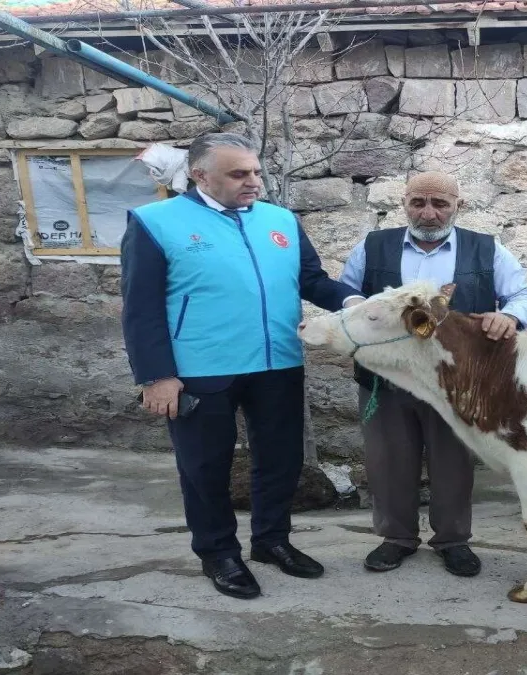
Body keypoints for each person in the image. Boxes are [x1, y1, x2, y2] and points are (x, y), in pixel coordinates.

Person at [120, 132, 362, 599]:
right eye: (238, 174)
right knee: (205, 467)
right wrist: (156, 376)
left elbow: (311, 280)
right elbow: (140, 307)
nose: (253, 182)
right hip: (199, 368)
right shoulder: (155, 222)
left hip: (277, 362)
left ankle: (272, 541)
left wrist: (354, 302)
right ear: (200, 175)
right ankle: (218, 553)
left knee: (281, 460)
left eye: (255, 171)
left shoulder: (280, 220)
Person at [339, 171, 527, 577]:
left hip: (456, 381)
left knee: (453, 461)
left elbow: (523, 294)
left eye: (440, 204)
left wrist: (509, 316)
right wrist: (360, 308)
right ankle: (396, 538)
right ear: (404, 204)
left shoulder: (486, 248)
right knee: (388, 459)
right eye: (418, 202)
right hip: (386, 377)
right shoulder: (373, 246)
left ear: (457, 206)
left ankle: (453, 541)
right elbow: (346, 292)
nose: (428, 213)